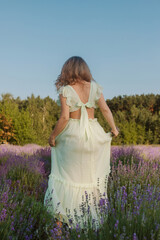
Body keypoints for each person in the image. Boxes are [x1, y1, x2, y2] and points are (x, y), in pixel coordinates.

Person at [44, 56, 119, 233]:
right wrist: (114, 129)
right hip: (94, 135)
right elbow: (106, 110)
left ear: (67, 70)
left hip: (72, 137)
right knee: (90, 179)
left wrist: (53, 136)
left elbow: (64, 118)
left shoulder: (66, 90)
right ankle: (90, 223)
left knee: (65, 177)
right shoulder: (95, 88)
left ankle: (60, 225)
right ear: (85, 69)